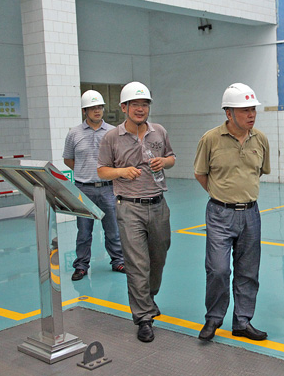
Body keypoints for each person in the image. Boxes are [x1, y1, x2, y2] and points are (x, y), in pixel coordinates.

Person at [97, 81, 176, 342]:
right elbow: (102, 170)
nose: (140, 109)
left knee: (158, 260)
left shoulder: (159, 131)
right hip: (129, 207)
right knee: (137, 264)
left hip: (158, 205)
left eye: (144, 104)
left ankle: (148, 298)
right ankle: (143, 317)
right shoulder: (111, 137)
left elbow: (172, 158)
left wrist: (164, 162)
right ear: (124, 107)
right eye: (135, 105)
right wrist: (121, 171)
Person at [193, 83, 270, 342]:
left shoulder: (260, 139)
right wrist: (221, 194)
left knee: (248, 270)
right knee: (218, 269)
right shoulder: (210, 139)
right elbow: (200, 174)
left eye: (253, 109)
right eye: (245, 110)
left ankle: (242, 321)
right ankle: (213, 319)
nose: (251, 114)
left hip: (250, 213)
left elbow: (259, 172)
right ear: (228, 113)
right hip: (220, 213)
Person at [63, 90, 125, 281]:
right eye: (92, 108)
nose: (97, 111)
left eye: (100, 107)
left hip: (108, 188)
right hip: (84, 189)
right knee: (84, 231)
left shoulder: (113, 132)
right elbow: (68, 159)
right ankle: (81, 266)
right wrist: (85, 172)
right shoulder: (74, 133)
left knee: (113, 229)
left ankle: (118, 261)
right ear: (84, 111)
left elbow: (119, 159)